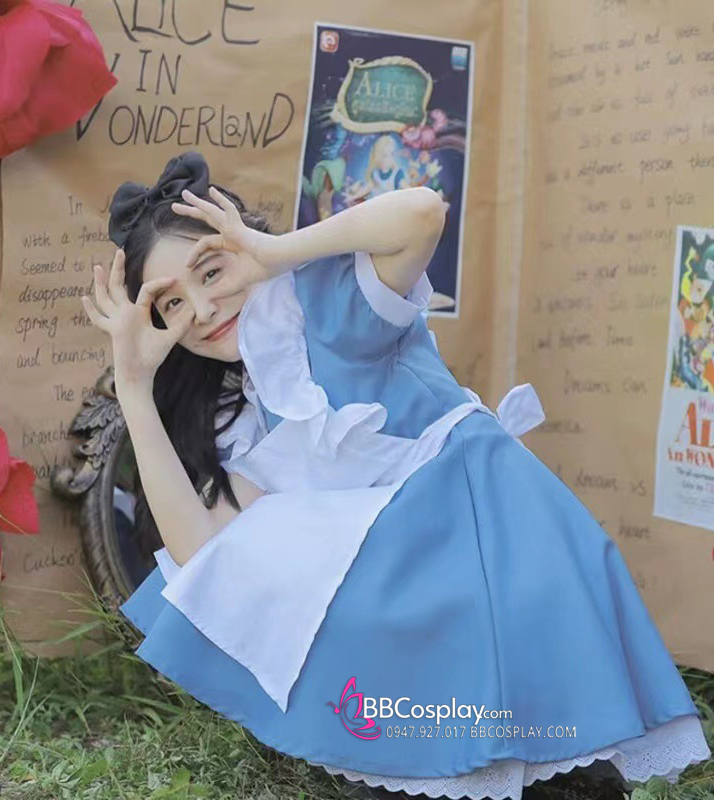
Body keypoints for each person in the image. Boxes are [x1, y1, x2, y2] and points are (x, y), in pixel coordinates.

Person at [81, 151, 710, 800]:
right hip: (406, 573)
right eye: (173, 304)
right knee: (261, 556)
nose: (204, 308)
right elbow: (204, 556)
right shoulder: (242, 403)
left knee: (549, 763)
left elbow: (422, 211)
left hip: (482, 529)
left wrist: (277, 252)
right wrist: (134, 385)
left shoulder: (330, 305)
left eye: (211, 271)